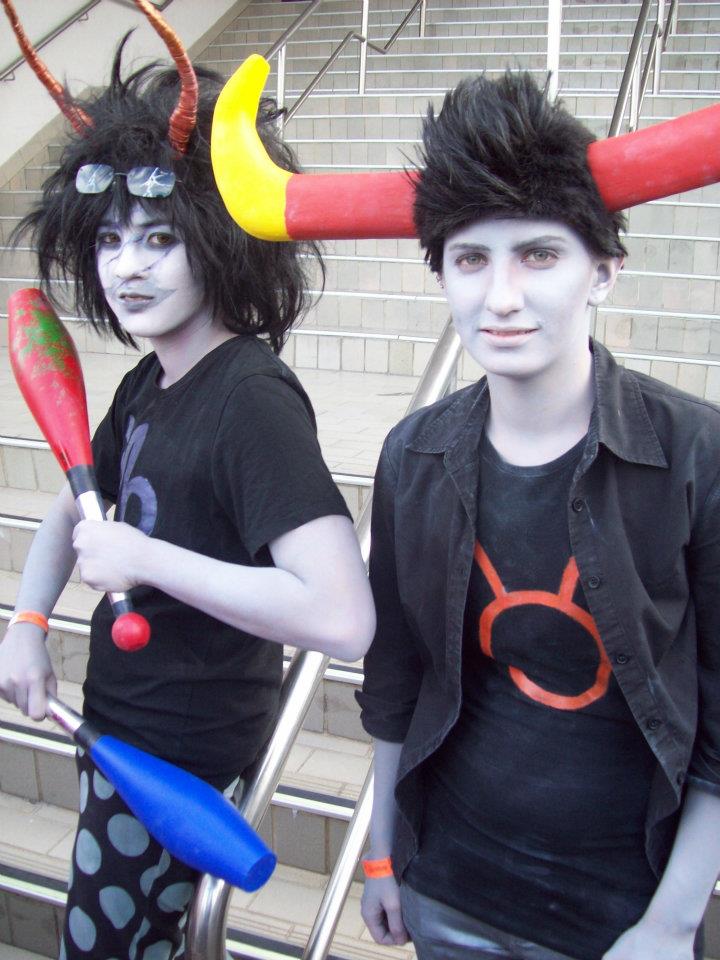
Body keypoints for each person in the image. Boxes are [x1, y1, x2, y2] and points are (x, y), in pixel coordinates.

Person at [0, 34, 375, 960]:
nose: (126, 267)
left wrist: (146, 558)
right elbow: (74, 504)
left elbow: (341, 616)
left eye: (160, 239)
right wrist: (28, 623)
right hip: (119, 729)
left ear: (218, 240)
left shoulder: (250, 399)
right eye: (111, 239)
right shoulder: (148, 381)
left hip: (185, 754)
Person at [357, 71, 720, 960]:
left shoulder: (694, 454)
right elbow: (396, 674)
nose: (501, 297)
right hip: (448, 888)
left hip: (621, 917)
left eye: (539, 255)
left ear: (605, 271)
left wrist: (672, 923)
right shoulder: (414, 455)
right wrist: (381, 854)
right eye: (470, 259)